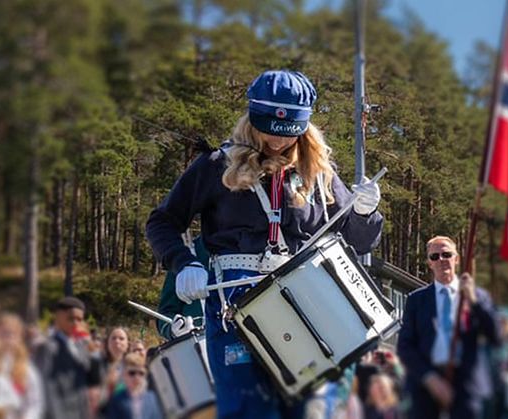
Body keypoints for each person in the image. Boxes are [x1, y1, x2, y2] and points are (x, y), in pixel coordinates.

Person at [145, 69, 383, 419]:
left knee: (311, 412)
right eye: (268, 128)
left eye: (288, 133)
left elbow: (359, 239)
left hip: (307, 303)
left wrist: (366, 212)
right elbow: (162, 221)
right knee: (248, 410)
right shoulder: (215, 166)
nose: (277, 140)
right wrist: (185, 262)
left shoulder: (320, 172)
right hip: (234, 306)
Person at [396, 236, 500, 419]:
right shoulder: (417, 300)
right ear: (429, 263)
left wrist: (473, 302)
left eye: (446, 254)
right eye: (435, 256)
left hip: (466, 386)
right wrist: (430, 378)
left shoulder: (478, 297)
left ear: (457, 258)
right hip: (426, 386)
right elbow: (405, 346)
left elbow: (495, 335)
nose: (441, 260)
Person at [33, 296, 103, 419]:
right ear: (58, 316)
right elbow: (44, 388)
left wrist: (94, 354)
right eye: (71, 318)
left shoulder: (82, 346)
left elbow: (93, 381)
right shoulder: (47, 347)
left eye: (79, 319)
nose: (75, 323)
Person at [0, 312, 44, 419]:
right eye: (2, 333)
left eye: (11, 334)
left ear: (19, 338)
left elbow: (35, 403)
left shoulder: (27, 368)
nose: (6, 338)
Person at [156, 235, 208, 340]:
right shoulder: (185, 255)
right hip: (194, 346)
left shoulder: (249, 245)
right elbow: (165, 313)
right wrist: (174, 328)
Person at [103, 353, 163, 419]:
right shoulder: (116, 400)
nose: (137, 377)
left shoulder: (152, 398)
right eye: (132, 373)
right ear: (124, 375)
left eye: (141, 373)